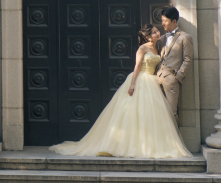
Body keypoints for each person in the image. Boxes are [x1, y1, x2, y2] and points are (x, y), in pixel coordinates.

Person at [49, 24, 192, 158]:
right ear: (148, 37)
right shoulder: (142, 48)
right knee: (131, 113)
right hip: (141, 79)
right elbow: (137, 66)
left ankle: (148, 145)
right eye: (154, 32)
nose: (158, 33)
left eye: (157, 31)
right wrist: (132, 84)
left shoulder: (158, 47)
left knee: (149, 114)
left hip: (153, 81)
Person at [157, 6, 193, 124]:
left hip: (172, 80)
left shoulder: (185, 37)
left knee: (171, 113)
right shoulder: (162, 38)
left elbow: (187, 59)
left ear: (174, 21)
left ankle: (174, 136)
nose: (163, 23)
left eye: (165, 21)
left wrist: (177, 77)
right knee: (158, 112)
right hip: (158, 79)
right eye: (162, 20)